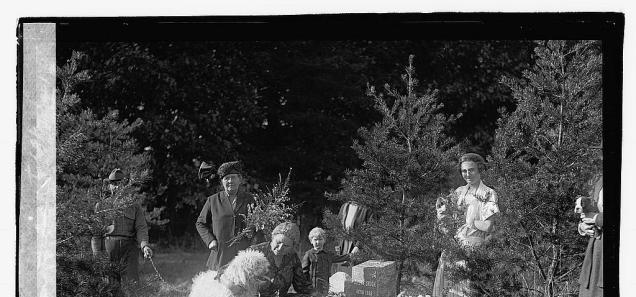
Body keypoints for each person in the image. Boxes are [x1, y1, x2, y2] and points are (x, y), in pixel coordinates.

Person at [433, 153, 499, 297]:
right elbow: (448, 218)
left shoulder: (488, 193)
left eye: (471, 170)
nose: (467, 174)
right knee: (449, 291)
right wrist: (441, 209)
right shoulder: (459, 192)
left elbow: (488, 226)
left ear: (480, 169)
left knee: (467, 291)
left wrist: (468, 221)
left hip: (473, 250)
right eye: (464, 171)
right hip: (453, 246)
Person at [196, 161, 258, 270]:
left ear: (240, 179)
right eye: (226, 178)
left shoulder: (250, 199)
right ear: (222, 182)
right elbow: (200, 223)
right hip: (220, 257)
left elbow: (258, 223)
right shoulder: (213, 200)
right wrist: (210, 240)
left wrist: (254, 233)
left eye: (233, 177)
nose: (230, 181)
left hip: (243, 257)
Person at [103, 168, 153, 283]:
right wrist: (97, 255)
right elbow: (96, 234)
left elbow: (141, 228)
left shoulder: (135, 206)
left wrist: (145, 246)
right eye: (113, 184)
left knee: (132, 285)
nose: (117, 187)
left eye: (120, 184)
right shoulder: (101, 206)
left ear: (126, 185)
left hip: (129, 248)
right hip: (109, 248)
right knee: (110, 286)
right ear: (109, 186)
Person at [248, 222, 314, 297]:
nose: (280, 248)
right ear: (273, 238)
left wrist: (318, 294)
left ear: (292, 247)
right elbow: (238, 282)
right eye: (278, 242)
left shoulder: (293, 257)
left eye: (286, 246)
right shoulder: (254, 252)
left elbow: (302, 286)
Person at [189, 249, 271, 297]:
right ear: (245, 270)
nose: (265, 269)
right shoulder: (227, 292)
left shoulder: (249, 289)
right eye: (257, 266)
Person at [302, 227, 354, 296]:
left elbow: (341, 258)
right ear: (311, 241)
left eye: (320, 239)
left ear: (324, 241)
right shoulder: (308, 254)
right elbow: (303, 271)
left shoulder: (328, 255)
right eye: (315, 240)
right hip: (312, 286)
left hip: (324, 286)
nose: (318, 242)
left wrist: (352, 256)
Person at [578, 175, 603, 297]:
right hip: (595, 248)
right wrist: (583, 226)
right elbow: (593, 207)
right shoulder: (600, 180)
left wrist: (596, 218)